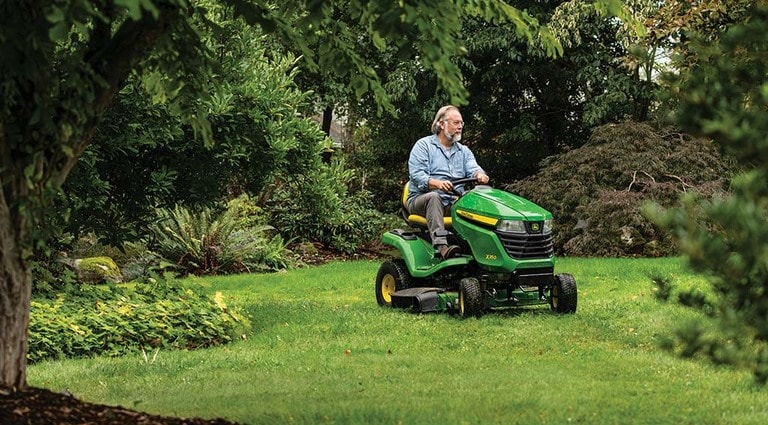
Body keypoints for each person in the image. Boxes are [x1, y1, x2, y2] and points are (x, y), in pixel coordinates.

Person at [406, 105, 490, 260]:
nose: (460, 127)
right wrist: (437, 184)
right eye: (456, 123)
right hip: (421, 200)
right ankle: (441, 247)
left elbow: (474, 168)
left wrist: (480, 175)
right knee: (434, 197)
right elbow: (417, 176)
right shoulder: (423, 146)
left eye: (461, 124)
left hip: (453, 201)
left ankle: (482, 248)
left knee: (476, 199)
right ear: (441, 124)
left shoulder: (463, 151)